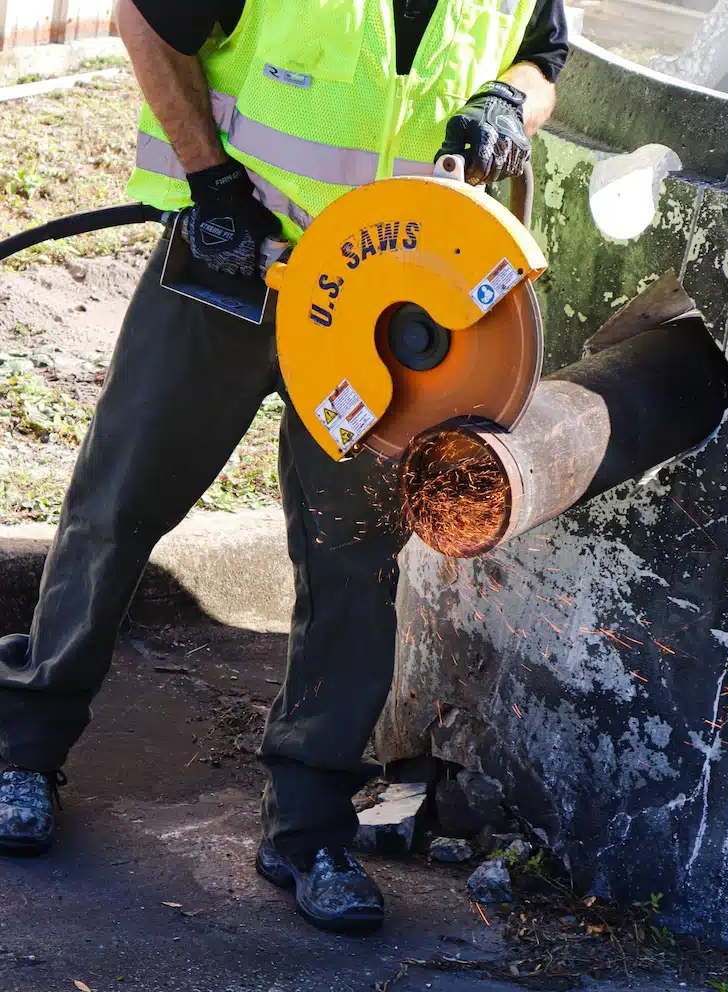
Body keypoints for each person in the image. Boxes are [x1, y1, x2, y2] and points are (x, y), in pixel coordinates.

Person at [0, 0, 565, 934]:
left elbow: (546, 58)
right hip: (235, 266)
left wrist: (511, 99)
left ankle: (309, 831)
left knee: (352, 563)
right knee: (118, 505)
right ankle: (23, 752)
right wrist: (211, 186)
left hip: (385, 318)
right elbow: (145, 22)